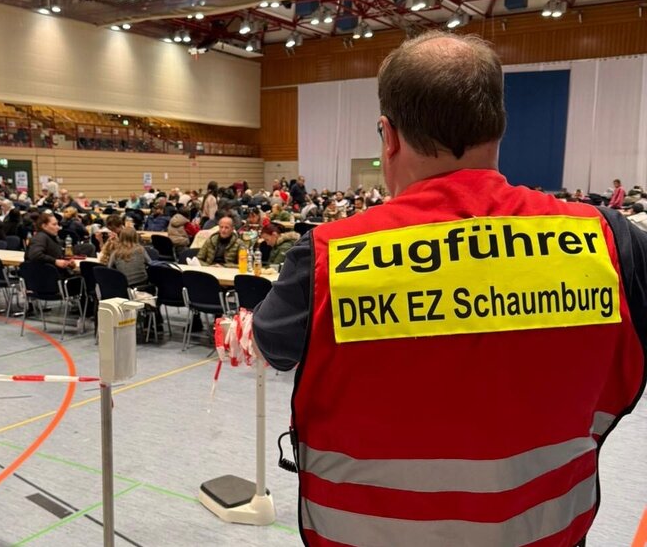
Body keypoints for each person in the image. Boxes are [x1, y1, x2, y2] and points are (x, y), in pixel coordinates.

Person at [252, 31, 647, 547]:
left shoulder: (328, 257)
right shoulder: (610, 241)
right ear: (499, 126)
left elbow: (272, 346)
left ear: (388, 136)